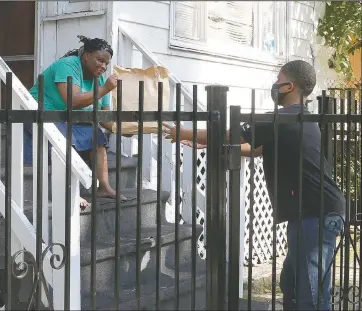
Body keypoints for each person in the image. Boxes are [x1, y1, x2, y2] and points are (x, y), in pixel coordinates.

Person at [163, 60, 346, 310]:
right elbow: (257, 149)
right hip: (311, 212)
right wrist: (210, 144)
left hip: (316, 213)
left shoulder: (286, 117)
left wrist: (183, 133)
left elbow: (232, 134)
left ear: (289, 85)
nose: (274, 84)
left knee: (310, 295)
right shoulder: (299, 118)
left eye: (278, 79)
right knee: (292, 285)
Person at [24, 35, 130, 208]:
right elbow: (72, 101)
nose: (103, 66)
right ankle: (69, 192)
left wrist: (122, 129)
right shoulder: (68, 65)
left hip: (68, 118)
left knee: (98, 139)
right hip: (41, 113)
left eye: (106, 63)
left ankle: (103, 187)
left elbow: (104, 117)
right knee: (66, 143)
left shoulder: (100, 78)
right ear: (86, 55)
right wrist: (104, 89)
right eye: (99, 60)